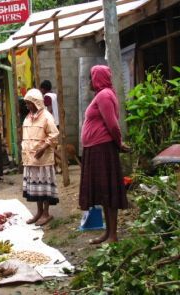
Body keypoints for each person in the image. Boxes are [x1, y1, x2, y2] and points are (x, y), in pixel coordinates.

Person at [79, 65, 131, 244]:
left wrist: (118, 142)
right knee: (103, 193)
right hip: (95, 148)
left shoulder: (104, 95)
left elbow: (113, 124)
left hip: (102, 149)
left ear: (98, 78)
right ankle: (107, 233)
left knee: (108, 192)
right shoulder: (102, 95)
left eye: (91, 78)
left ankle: (113, 235)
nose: (89, 82)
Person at [22, 89, 60, 226]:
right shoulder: (28, 116)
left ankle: (46, 213)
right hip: (30, 158)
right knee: (36, 188)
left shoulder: (47, 116)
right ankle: (38, 212)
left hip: (43, 159)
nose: (27, 106)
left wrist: (43, 148)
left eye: (29, 103)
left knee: (43, 187)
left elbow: (54, 135)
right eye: (26, 103)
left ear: (36, 103)